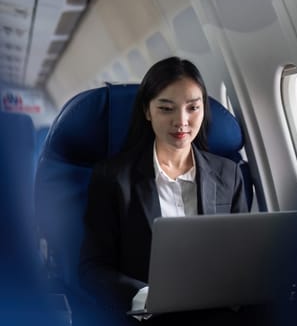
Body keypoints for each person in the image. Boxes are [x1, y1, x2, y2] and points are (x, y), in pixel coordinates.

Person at [78, 57, 248, 324]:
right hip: (151, 316)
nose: (182, 122)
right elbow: (92, 269)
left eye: (193, 108)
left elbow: (242, 256)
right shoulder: (113, 178)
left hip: (217, 311)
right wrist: (146, 297)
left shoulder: (229, 175)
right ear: (147, 111)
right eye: (167, 109)